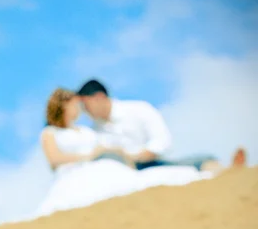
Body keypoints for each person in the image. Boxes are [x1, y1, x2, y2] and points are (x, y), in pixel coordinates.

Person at [36, 88, 212, 217]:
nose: (80, 110)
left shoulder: (86, 131)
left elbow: (106, 144)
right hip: (74, 175)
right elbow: (54, 159)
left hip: (99, 167)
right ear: (63, 106)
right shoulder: (50, 132)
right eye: (75, 105)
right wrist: (89, 157)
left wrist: (117, 153)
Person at [76, 79, 246, 173]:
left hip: (151, 164)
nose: (84, 110)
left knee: (197, 164)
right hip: (120, 174)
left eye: (85, 104)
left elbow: (162, 141)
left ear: (99, 97)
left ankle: (230, 172)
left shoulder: (138, 109)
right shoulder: (94, 131)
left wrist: (136, 157)